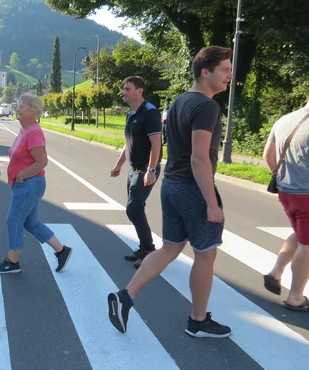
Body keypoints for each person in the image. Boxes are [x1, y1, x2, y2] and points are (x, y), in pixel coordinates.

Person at [108, 46, 234, 338]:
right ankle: (198, 320)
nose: (229, 75)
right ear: (206, 72)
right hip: (193, 189)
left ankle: (126, 296)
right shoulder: (207, 106)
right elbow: (199, 158)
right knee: (205, 255)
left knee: (169, 248)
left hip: (172, 187)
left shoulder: (178, 102)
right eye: (225, 69)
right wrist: (212, 203)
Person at [0, 94, 72, 273]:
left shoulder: (34, 132)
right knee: (31, 223)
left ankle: (13, 262)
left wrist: (21, 175)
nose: (17, 110)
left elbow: (42, 161)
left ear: (33, 112)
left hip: (29, 184)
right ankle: (61, 250)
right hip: (26, 184)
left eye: (22, 107)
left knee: (13, 220)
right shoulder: (24, 130)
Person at [110, 76, 162, 269]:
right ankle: (145, 247)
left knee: (133, 208)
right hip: (134, 169)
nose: (123, 92)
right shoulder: (130, 113)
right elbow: (128, 143)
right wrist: (118, 165)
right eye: (124, 88)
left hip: (145, 169)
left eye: (127, 89)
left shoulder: (150, 113)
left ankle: (148, 249)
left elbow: (156, 144)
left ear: (139, 91)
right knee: (135, 209)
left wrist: (151, 170)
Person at [262, 99, 309, 311]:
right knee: (307, 245)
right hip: (306, 193)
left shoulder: (284, 120)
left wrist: (279, 176)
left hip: (286, 190)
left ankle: (276, 271)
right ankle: (296, 297)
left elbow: (267, 156)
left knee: (300, 234)